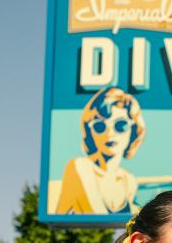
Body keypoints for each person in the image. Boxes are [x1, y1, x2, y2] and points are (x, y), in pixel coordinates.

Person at [55, 87, 145, 215]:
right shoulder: (78, 166)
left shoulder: (128, 180)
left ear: (134, 130)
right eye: (99, 126)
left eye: (120, 125)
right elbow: (94, 211)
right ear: (89, 132)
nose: (110, 133)